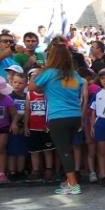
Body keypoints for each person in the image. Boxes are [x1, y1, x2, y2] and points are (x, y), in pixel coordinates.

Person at [28, 44, 88, 194]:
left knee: (64, 151)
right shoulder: (74, 75)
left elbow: (31, 87)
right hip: (75, 117)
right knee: (67, 149)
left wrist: (38, 73)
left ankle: (73, 185)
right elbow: (79, 85)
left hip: (58, 117)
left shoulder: (49, 73)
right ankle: (69, 182)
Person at [24, 69, 55, 182]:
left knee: (48, 150)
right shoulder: (29, 94)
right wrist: (26, 126)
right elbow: (27, 111)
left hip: (46, 128)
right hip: (33, 127)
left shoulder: (49, 94)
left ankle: (49, 170)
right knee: (34, 151)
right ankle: (35, 170)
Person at [0, 75, 17, 183]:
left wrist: (14, 123)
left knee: (0, 149)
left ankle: (1, 173)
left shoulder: (7, 99)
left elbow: (14, 114)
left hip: (2, 127)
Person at [6, 72, 28, 180]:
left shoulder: (27, 97)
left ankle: (20, 171)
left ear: (26, 84)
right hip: (12, 128)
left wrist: (24, 126)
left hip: (24, 127)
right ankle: (12, 171)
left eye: (20, 83)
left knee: (22, 151)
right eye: (15, 82)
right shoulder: (9, 97)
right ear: (11, 83)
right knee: (12, 151)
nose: (17, 85)